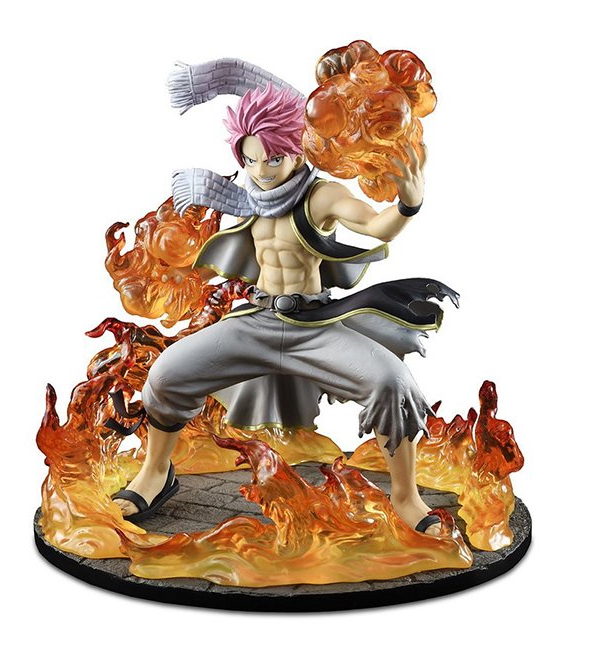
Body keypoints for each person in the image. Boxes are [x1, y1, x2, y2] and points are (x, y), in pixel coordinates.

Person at [114, 60, 458, 536]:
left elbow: (374, 226)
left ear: (298, 150)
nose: (262, 171)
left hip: (313, 327)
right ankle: (155, 474)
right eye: (251, 160)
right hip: (256, 321)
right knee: (166, 375)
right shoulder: (247, 196)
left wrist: (408, 204)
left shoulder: (320, 196)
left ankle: (406, 498)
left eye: (273, 159)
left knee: (392, 385)